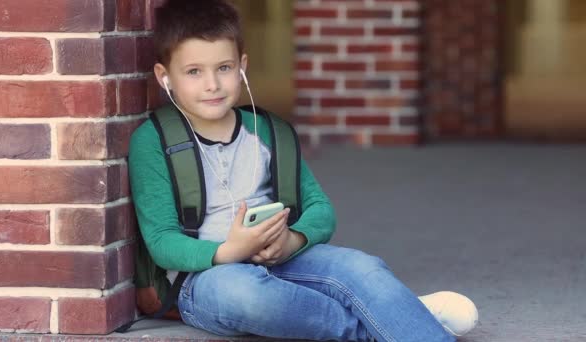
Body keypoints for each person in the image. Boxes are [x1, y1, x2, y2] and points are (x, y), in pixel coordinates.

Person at [128, 1, 478, 341]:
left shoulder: (268, 132)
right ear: (165, 77)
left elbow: (320, 209)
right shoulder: (153, 141)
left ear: (242, 66)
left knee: (364, 268)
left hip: (282, 258)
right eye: (194, 72)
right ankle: (394, 321)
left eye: (224, 68)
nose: (212, 85)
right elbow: (161, 242)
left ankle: (398, 319)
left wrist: (291, 240)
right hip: (206, 279)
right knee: (248, 295)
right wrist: (227, 252)